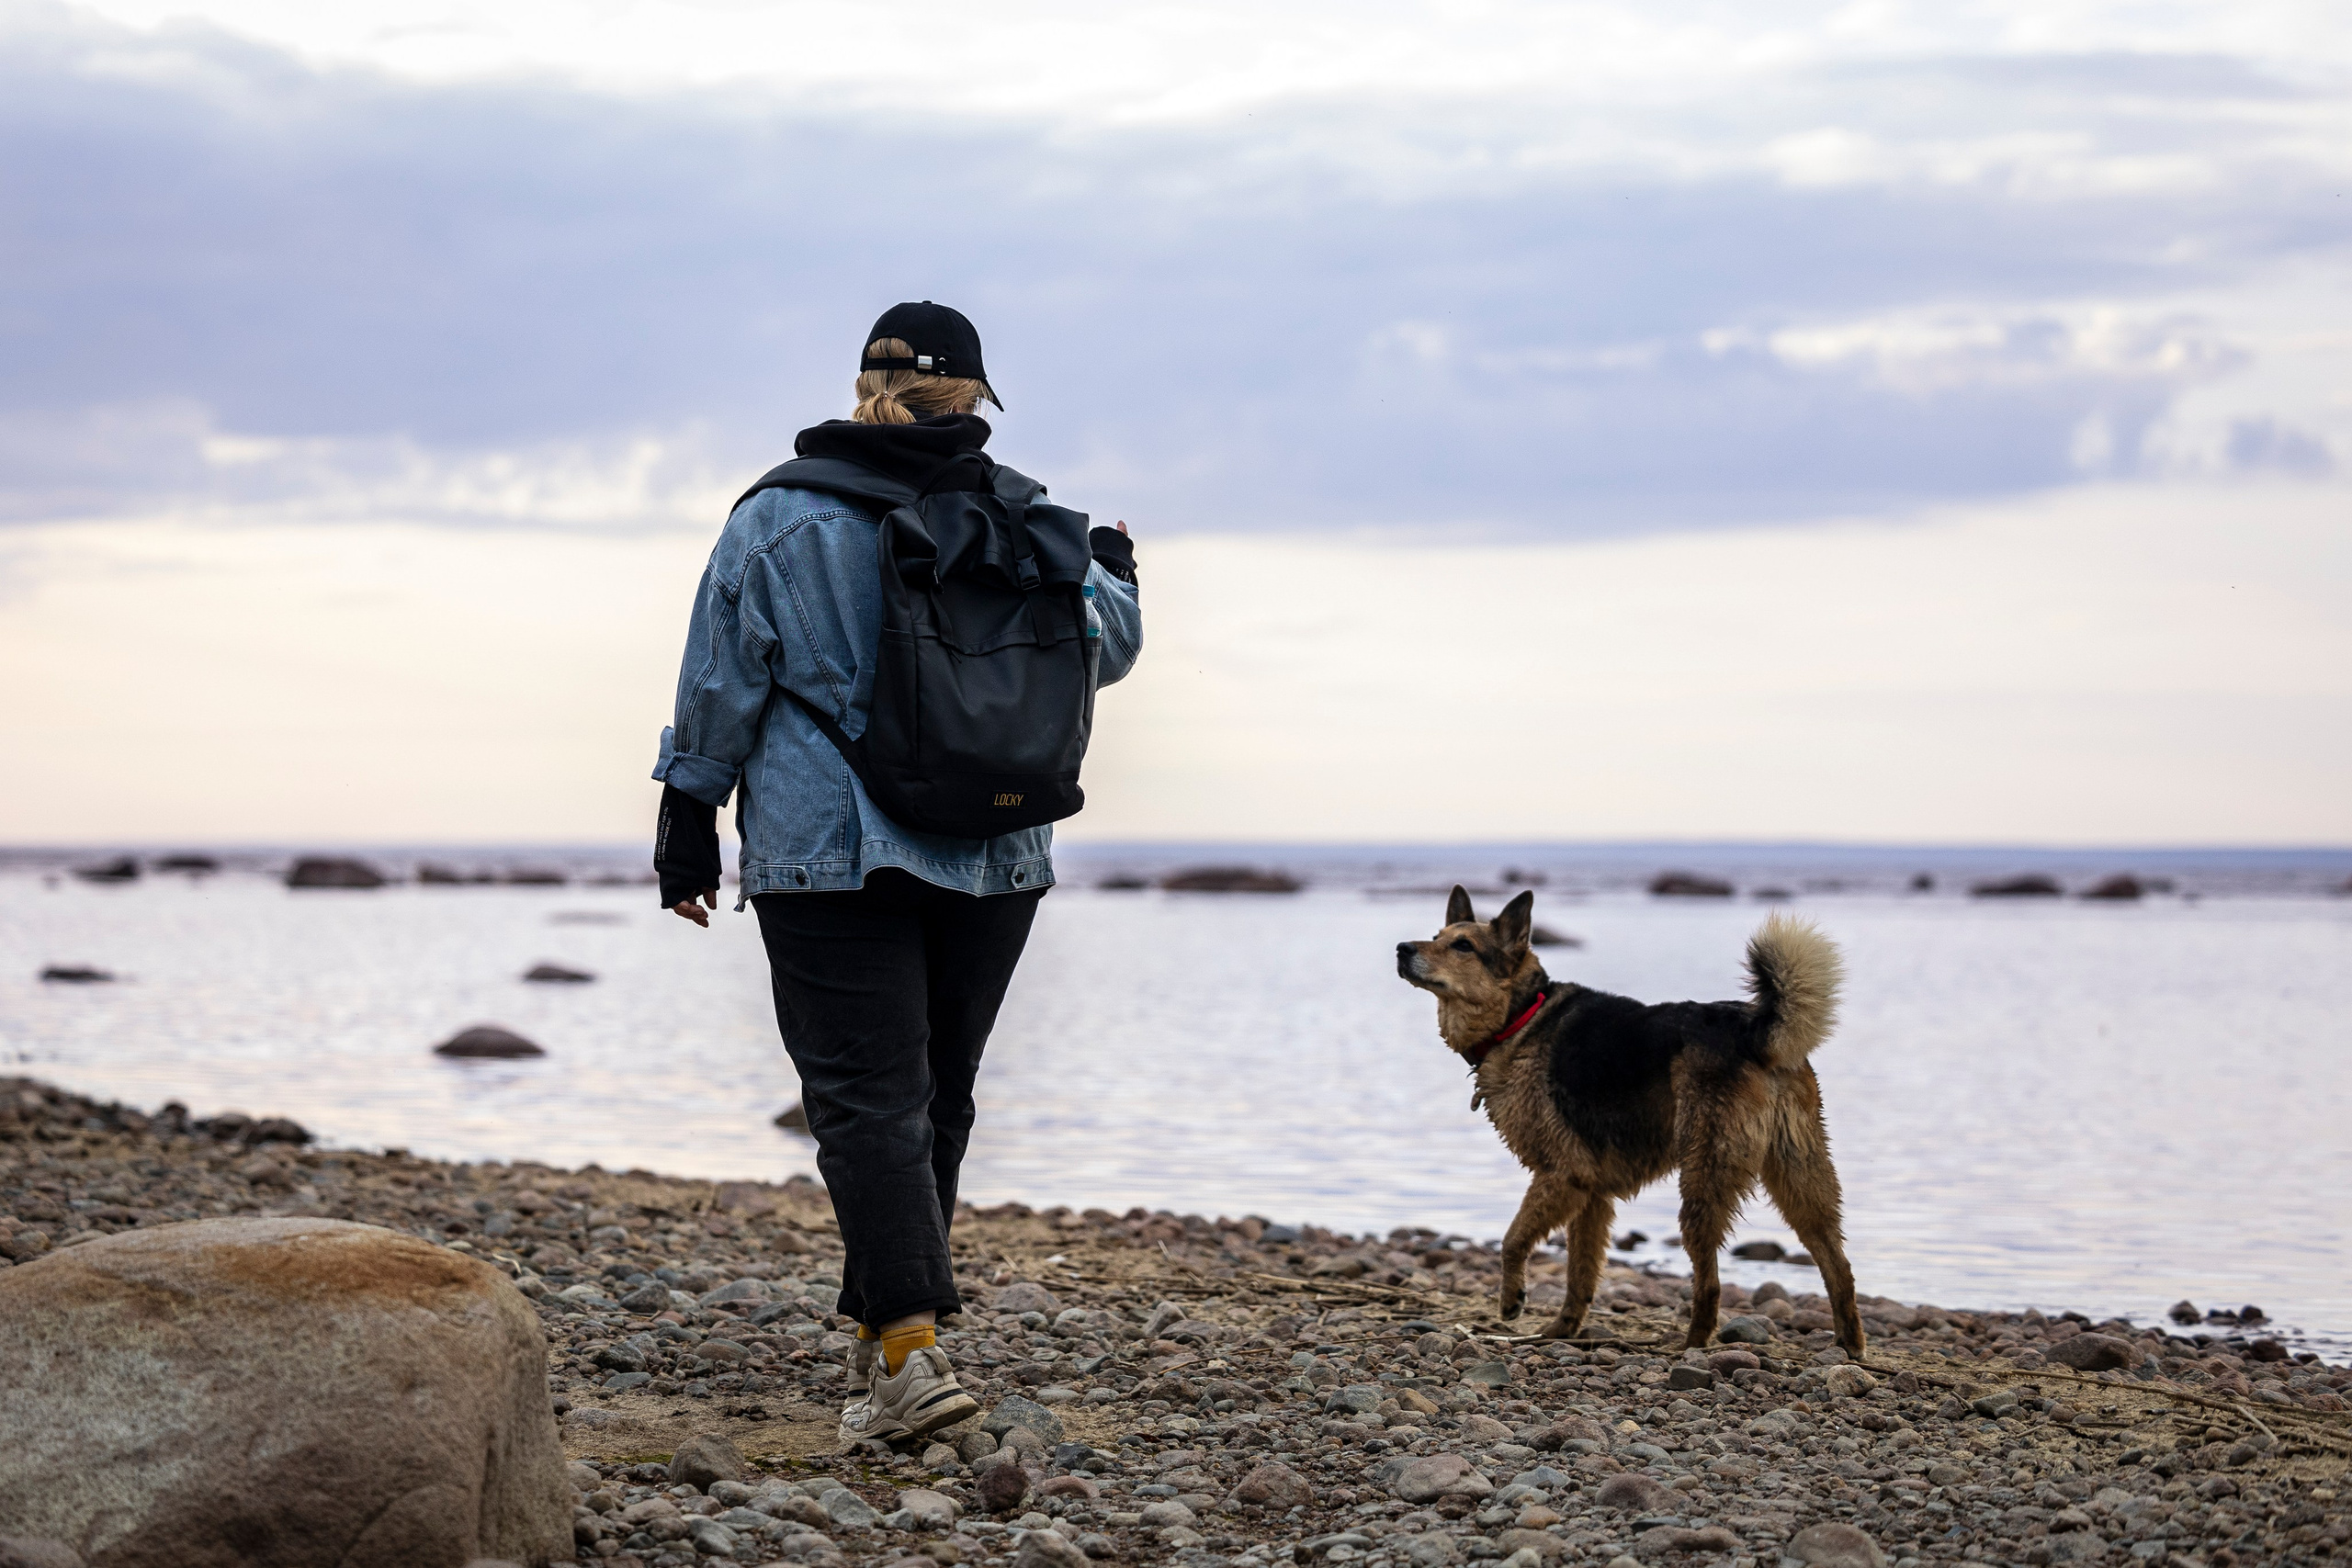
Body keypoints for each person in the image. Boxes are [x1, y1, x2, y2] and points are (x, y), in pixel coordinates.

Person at [650, 301, 1143, 1445]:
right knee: (937, 1097)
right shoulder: (1026, 514)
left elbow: (723, 675)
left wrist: (689, 816)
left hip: (833, 850)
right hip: (996, 846)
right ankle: (893, 1357)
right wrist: (1117, 570)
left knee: (868, 1101)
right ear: (974, 397)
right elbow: (1102, 655)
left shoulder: (777, 517)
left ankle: (907, 1357)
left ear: (860, 384)